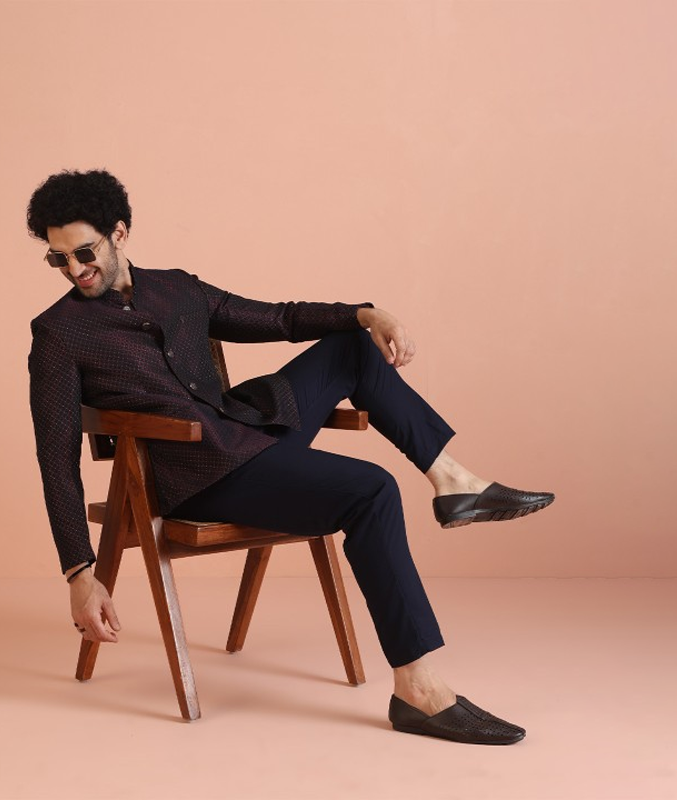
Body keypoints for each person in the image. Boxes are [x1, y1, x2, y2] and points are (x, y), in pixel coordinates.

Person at [27, 169, 554, 745]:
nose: (75, 269)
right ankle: (419, 690)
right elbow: (55, 457)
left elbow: (278, 319)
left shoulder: (177, 289)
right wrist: (79, 572)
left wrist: (367, 313)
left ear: (119, 233)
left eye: (84, 252)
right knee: (372, 489)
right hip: (201, 474)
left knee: (351, 344)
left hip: (247, 428)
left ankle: (453, 480)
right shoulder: (58, 333)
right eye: (58, 259)